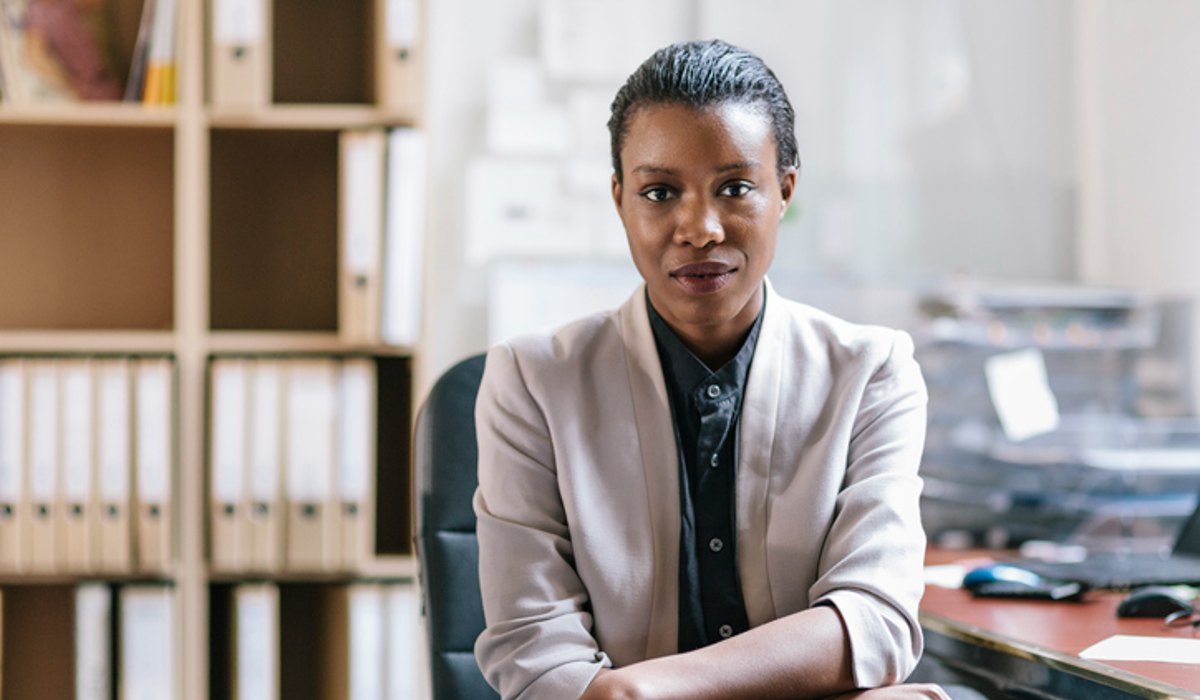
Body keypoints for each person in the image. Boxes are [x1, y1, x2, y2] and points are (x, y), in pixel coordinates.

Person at [473, 39, 946, 700]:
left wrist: (639, 692)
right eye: (660, 192)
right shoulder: (530, 382)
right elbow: (538, 657)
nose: (700, 228)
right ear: (620, 201)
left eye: (734, 188)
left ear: (784, 191)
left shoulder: (870, 372)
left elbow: (875, 623)